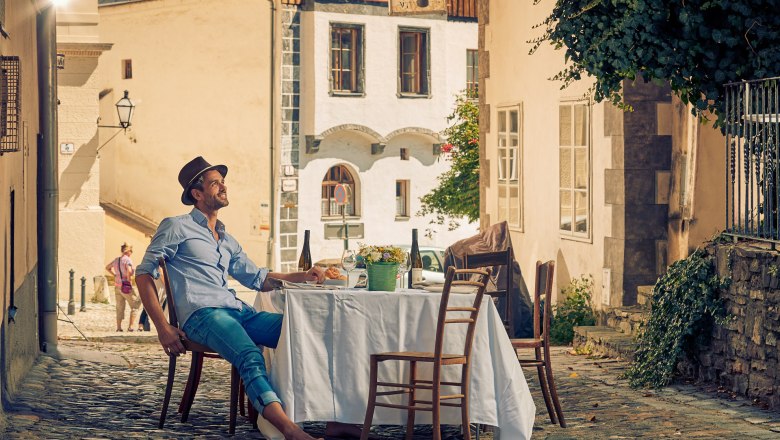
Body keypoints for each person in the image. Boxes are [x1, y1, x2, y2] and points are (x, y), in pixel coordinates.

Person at [135, 156, 325, 440]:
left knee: (305, 333)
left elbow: (260, 279)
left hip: (238, 311)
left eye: (223, 182)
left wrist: (305, 275)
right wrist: (163, 327)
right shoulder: (176, 226)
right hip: (202, 315)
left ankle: (333, 420)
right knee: (250, 355)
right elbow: (143, 275)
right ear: (197, 194)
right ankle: (290, 431)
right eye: (215, 183)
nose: (223, 187)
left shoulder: (226, 238)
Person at [106, 243, 143, 332]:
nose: (131, 253)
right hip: (125, 285)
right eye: (131, 251)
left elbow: (107, 267)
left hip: (117, 285)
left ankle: (119, 327)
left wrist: (115, 275)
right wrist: (128, 279)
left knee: (119, 307)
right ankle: (130, 326)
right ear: (128, 251)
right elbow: (129, 271)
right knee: (135, 305)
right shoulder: (127, 260)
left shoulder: (116, 260)